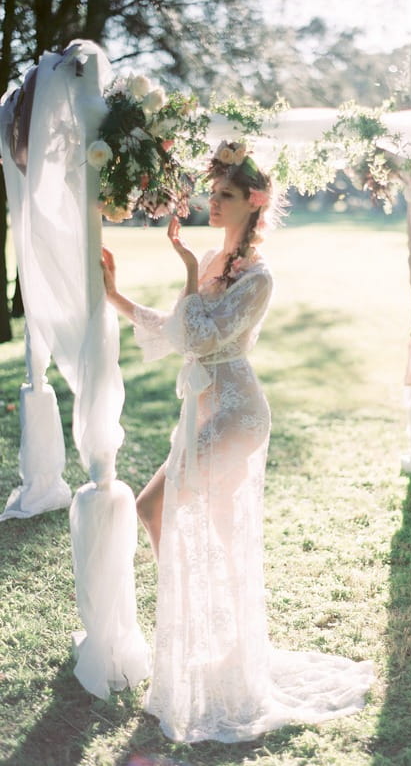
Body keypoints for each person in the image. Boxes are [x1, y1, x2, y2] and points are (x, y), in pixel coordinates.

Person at [101, 141, 374, 743]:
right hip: (201, 409)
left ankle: (207, 634)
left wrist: (182, 270)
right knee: (210, 531)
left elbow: (206, 335)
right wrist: (116, 295)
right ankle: (221, 641)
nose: (212, 203)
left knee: (156, 508)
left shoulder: (258, 278)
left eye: (225, 194)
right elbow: (178, 329)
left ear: (255, 203)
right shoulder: (207, 259)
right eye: (213, 192)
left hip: (236, 411)